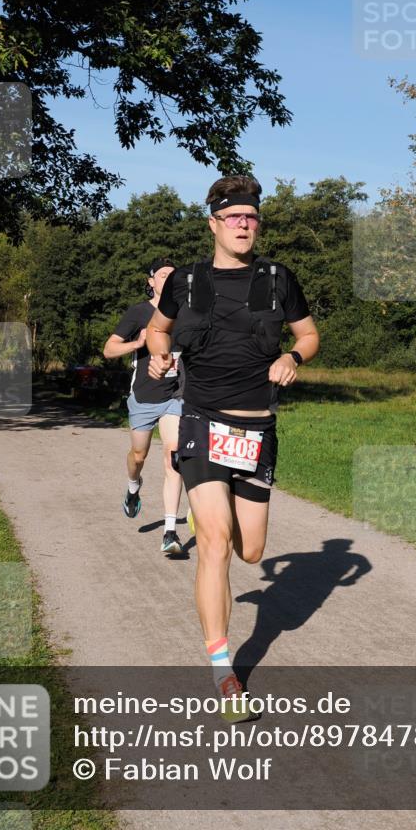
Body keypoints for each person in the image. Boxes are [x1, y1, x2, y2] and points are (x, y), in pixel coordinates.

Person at [147, 176, 319, 720]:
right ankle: (225, 673)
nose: (244, 225)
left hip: (256, 431)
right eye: (234, 217)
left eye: (252, 217)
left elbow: (309, 335)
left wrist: (294, 357)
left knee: (251, 552)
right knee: (217, 544)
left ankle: (211, 515)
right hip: (200, 420)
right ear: (214, 224)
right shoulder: (187, 282)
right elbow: (157, 330)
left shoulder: (277, 279)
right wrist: (159, 355)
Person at [103, 259, 187, 555]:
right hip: (144, 397)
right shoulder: (139, 312)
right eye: (162, 275)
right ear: (150, 281)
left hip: (176, 396)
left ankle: (169, 532)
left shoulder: (186, 312)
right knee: (138, 456)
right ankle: (133, 485)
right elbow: (109, 348)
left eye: (173, 275)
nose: (168, 278)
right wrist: (136, 344)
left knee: (172, 458)